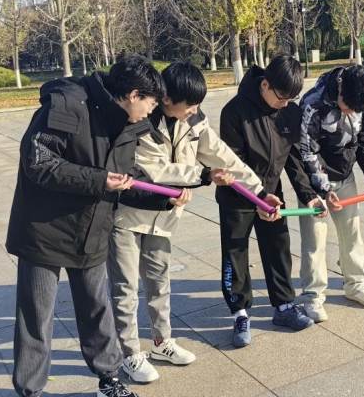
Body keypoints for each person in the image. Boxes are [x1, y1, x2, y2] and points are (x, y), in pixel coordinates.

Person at [6, 55, 166, 397]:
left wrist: (166, 198)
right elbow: (38, 161)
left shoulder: (128, 125)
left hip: (91, 229)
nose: (151, 112)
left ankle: (109, 378)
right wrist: (98, 180)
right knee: (36, 315)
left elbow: (127, 178)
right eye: (151, 104)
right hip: (44, 231)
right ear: (133, 95)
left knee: (96, 308)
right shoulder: (68, 103)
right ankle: (30, 390)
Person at [107, 61, 272, 381]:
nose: (195, 110)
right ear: (167, 99)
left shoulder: (194, 119)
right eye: (191, 104)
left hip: (164, 217)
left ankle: (162, 342)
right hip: (128, 214)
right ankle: (130, 354)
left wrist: (260, 193)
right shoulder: (141, 120)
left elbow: (223, 156)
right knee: (125, 287)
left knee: (159, 281)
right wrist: (203, 175)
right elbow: (154, 171)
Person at [217, 54, 321, 348]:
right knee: (235, 252)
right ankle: (239, 311)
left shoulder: (290, 112)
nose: (285, 104)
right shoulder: (234, 112)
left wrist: (309, 195)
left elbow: (293, 159)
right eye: (281, 97)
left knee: (278, 246)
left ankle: (284, 305)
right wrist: (257, 200)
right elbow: (234, 164)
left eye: (291, 98)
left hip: (272, 194)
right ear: (265, 84)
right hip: (238, 195)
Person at [298, 65, 364, 322]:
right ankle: (313, 296)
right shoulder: (313, 103)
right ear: (341, 90)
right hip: (314, 183)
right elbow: (306, 152)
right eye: (348, 107)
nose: (352, 113)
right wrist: (323, 189)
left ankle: (355, 285)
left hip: (345, 176)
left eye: (357, 110)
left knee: (352, 233)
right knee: (315, 240)